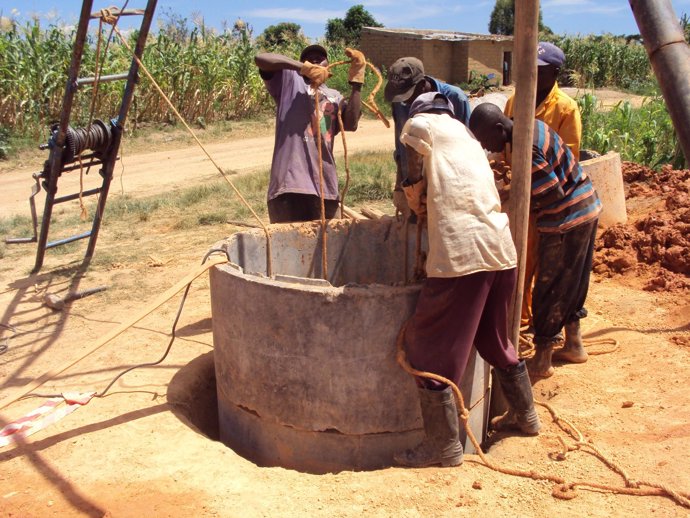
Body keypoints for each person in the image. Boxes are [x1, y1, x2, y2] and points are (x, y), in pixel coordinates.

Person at [394, 92, 541, 469]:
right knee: (494, 339)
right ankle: (525, 416)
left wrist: (414, 197)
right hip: (500, 251)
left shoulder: (418, 124)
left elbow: (412, 171)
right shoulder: (467, 137)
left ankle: (442, 447)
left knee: (428, 348)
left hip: (463, 257)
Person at [469, 102, 602, 379]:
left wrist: (511, 196)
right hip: (587, 206)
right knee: (573, 282)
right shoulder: (529, 125)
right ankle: (574, 344)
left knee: (549, 286)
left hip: (568, 217)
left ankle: (542, 359)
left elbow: (550, 192)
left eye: (485, 140)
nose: (487, 147)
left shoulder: (525, 148)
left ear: (498, 128)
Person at [503, 42, 584, 362]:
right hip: (520, 198)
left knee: (550, 269)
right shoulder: (514, 101)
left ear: (555, 73)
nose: (532, 76)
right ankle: (519, 324)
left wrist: (535, 193)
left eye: (540, 71)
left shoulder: (565, 109)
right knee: (518, 261)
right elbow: (506, 146)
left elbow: (570, 159)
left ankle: (548, 332)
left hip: (552, 201)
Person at [255, 45, 364, 223]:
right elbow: (261, 59)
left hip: (326, 188)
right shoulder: (289, 81)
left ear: (328, 63)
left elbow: (351, 124)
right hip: (289, 187)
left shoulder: (335, 96)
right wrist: (301, 68)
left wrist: (357, 82)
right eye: (309, 58)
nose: (315, 60)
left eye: (320, 58)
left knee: (329, 246)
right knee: (288, 248)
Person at [383, 57, 471, 219]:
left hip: (446, 187)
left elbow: (467, 150)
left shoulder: (455, 99)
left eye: (407, 95)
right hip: (414, 187)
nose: (404, 101)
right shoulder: (400, 103)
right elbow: (402, 146)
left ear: (423, 85)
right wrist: (402, 186)